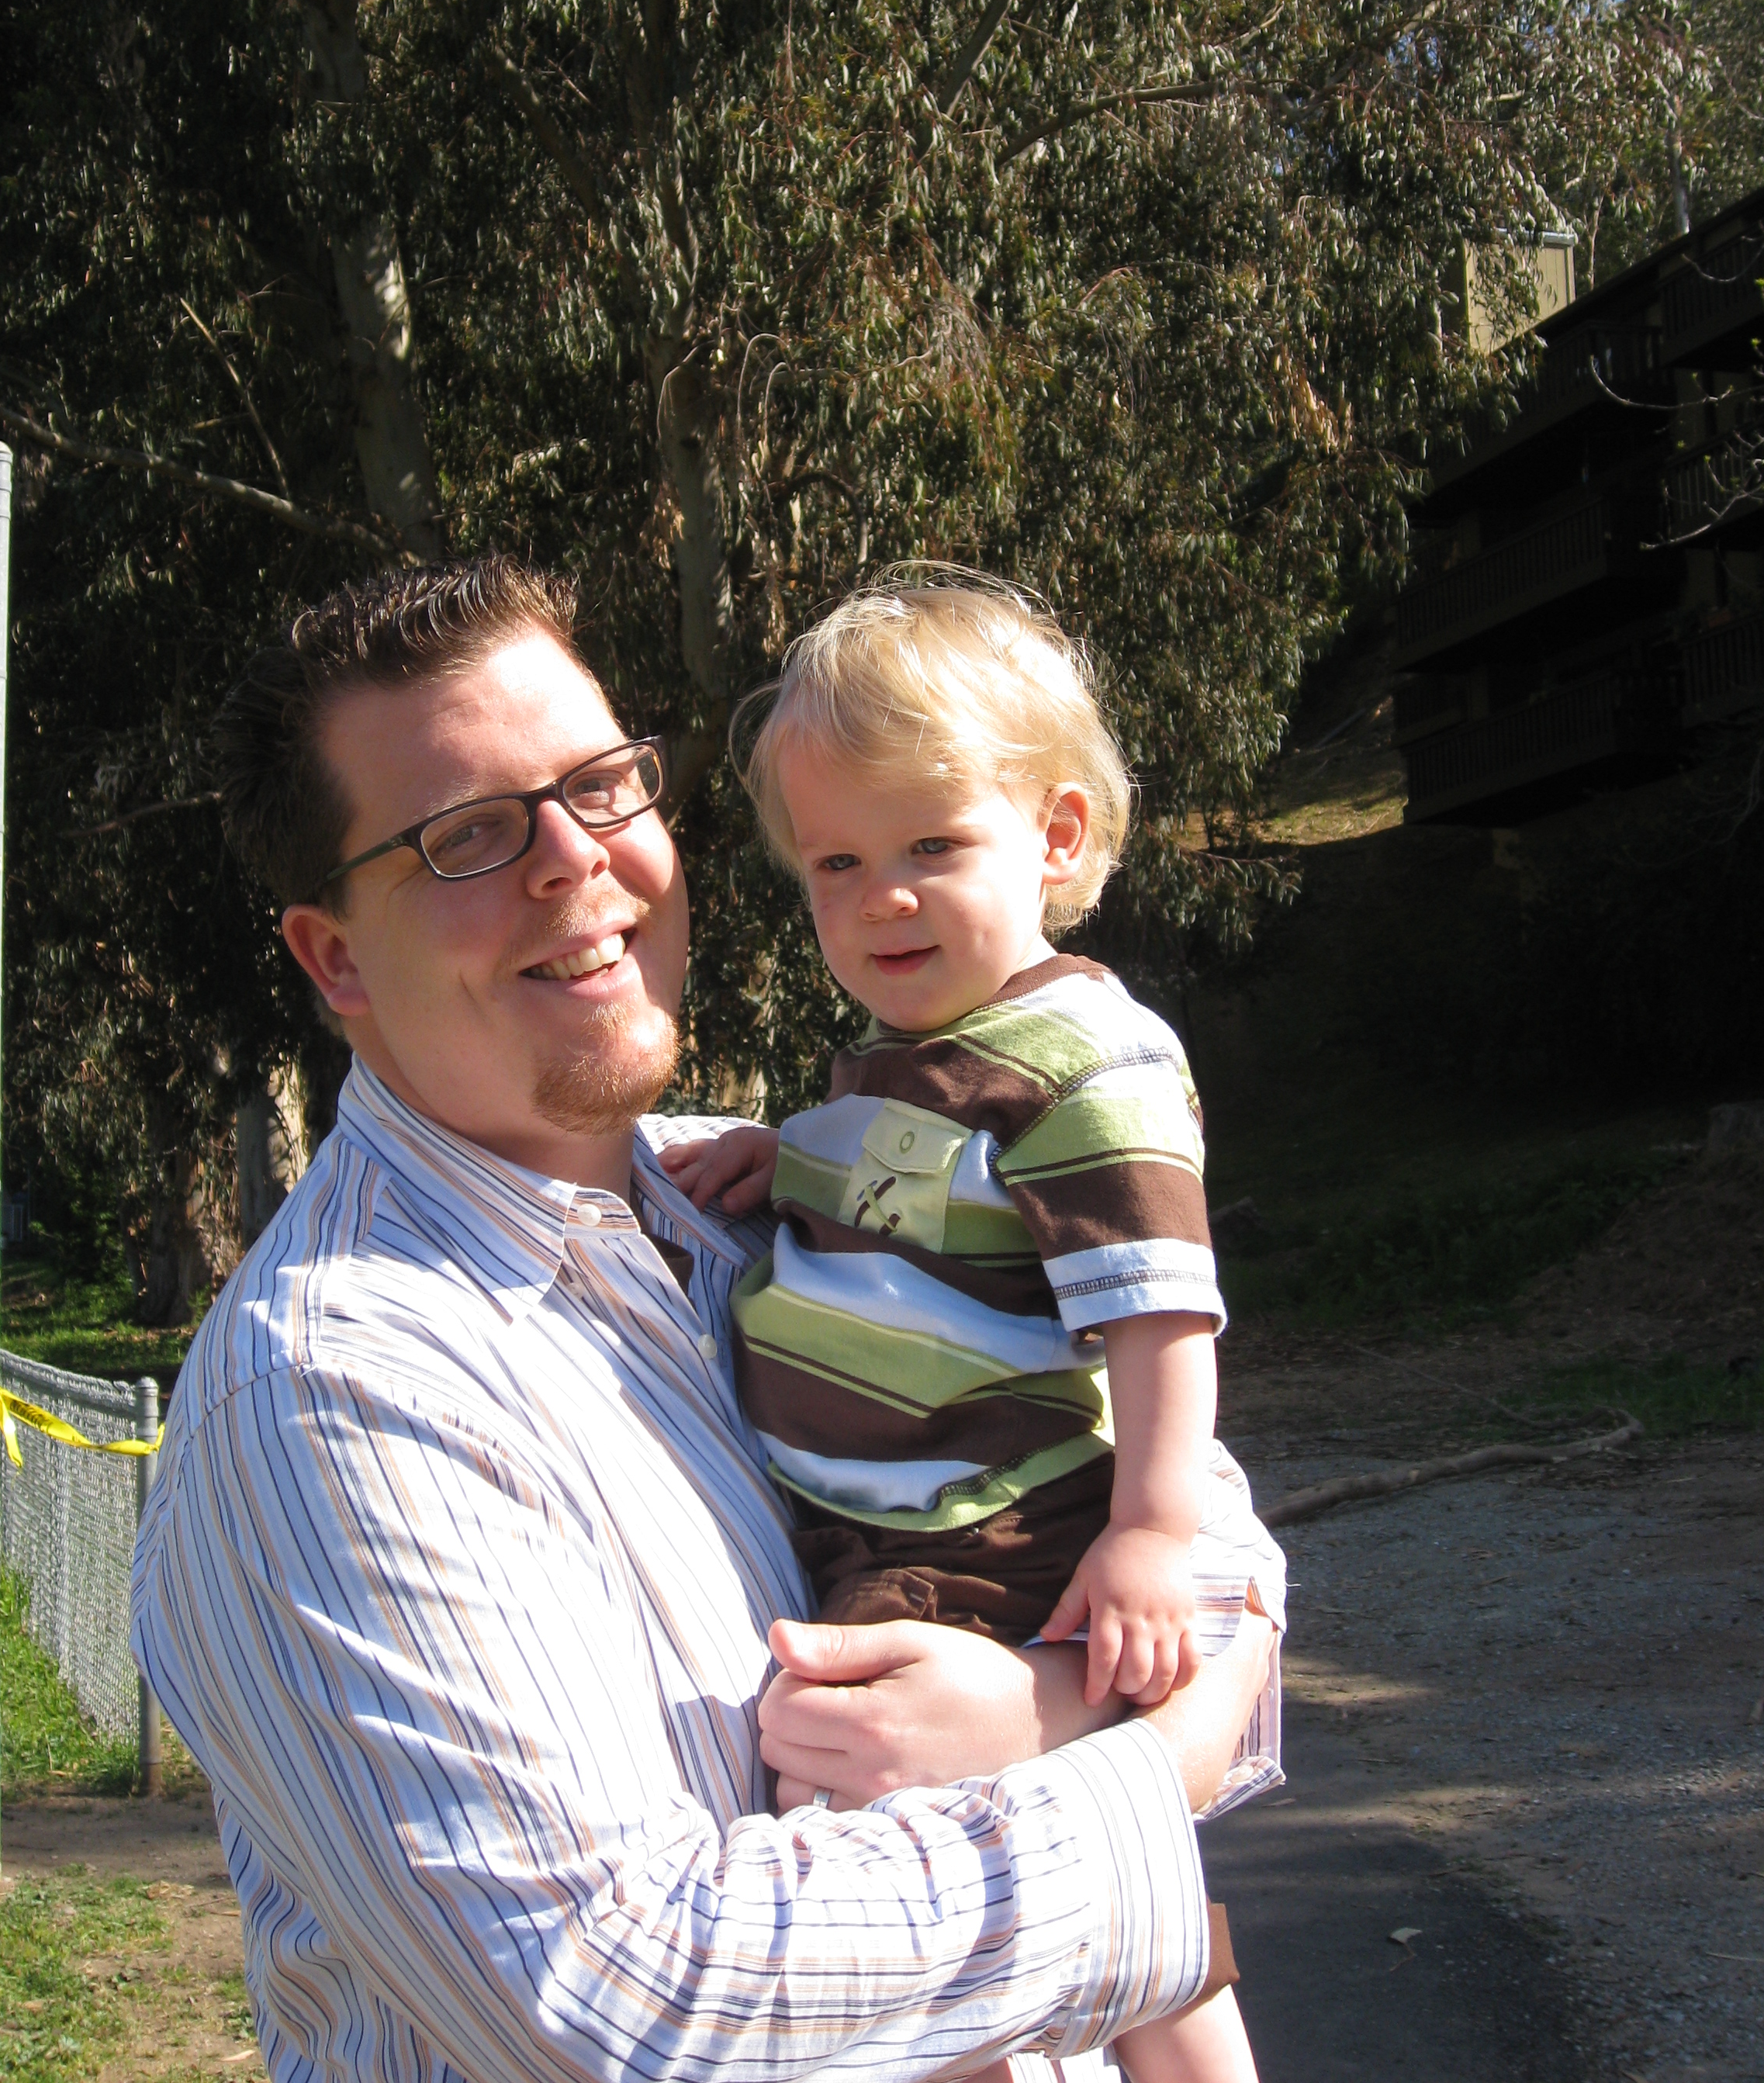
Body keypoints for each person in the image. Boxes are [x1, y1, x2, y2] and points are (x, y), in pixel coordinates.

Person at [130, 555, 1275, 2083]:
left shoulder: (763, 1193)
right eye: (467, 835)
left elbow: (1190, 1499)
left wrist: (1054, 1705)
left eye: (600, 786)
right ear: (336, 957)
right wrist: (1160, 1752)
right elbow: (631, 2007)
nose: (572, 858)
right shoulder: (329, 1397)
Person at [661, 578, 1284, 2083]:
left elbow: (1160, 1309)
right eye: (839, 862)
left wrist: (1151, 1533)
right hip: (891, 1532)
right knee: (1064, 1880)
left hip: (991, 1537)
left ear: (1055, 838)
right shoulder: (905, 1059)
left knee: (935, 1883)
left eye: (932, 847)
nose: (883, 896)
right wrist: (785, 1157)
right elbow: (911, 1196)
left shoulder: (1080, 1060)